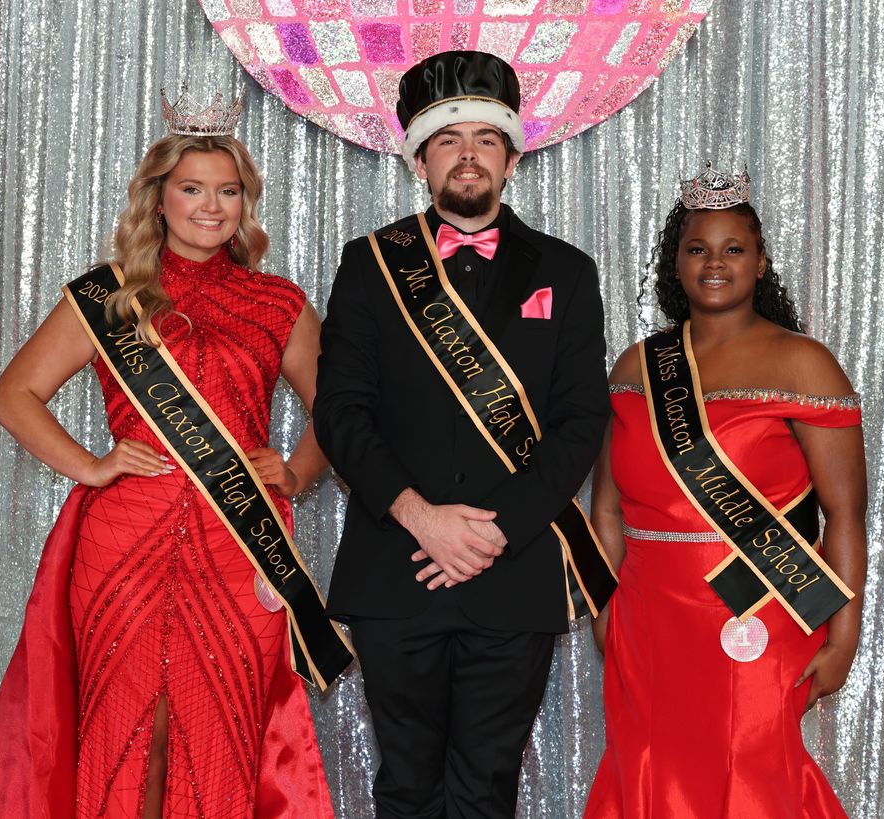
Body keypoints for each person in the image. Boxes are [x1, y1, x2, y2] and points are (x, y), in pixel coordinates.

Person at [0, 87, 349, 818]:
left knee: (222, 726)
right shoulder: (109, 298)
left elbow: (344, 414)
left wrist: (294, 470)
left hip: (238, 548)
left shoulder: (278, 302)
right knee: (123, 725)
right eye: (192, 189)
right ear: (158, 198)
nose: (210, 206)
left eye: (227, 191)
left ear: (245, 203)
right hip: (123, 540)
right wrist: (93, 466)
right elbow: (13, 396)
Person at [313, 50, 616, 819]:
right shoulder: (370, 265)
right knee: (407, 786)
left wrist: (494, 533)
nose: (469, 153)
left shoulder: (569, 272)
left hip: (511, 573)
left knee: (487, 788)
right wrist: (420, 516)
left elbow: (581, 423)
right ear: (420, 160)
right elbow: (340, 413)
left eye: (487, 138)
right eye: (449, 139)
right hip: (397, 566)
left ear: (513, 158)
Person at [584, 164, 868, 818]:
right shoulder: (637, 365)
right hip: (648, 619)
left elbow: (845, 513)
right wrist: (603, 609)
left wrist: (843, 636)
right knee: (650, 766)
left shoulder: (804, 362)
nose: (715, 263)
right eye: (697, 249)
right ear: (675, 264)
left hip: (756, 607)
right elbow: (606, 507)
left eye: (733, 248)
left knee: (753, 772)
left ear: (761, 261)